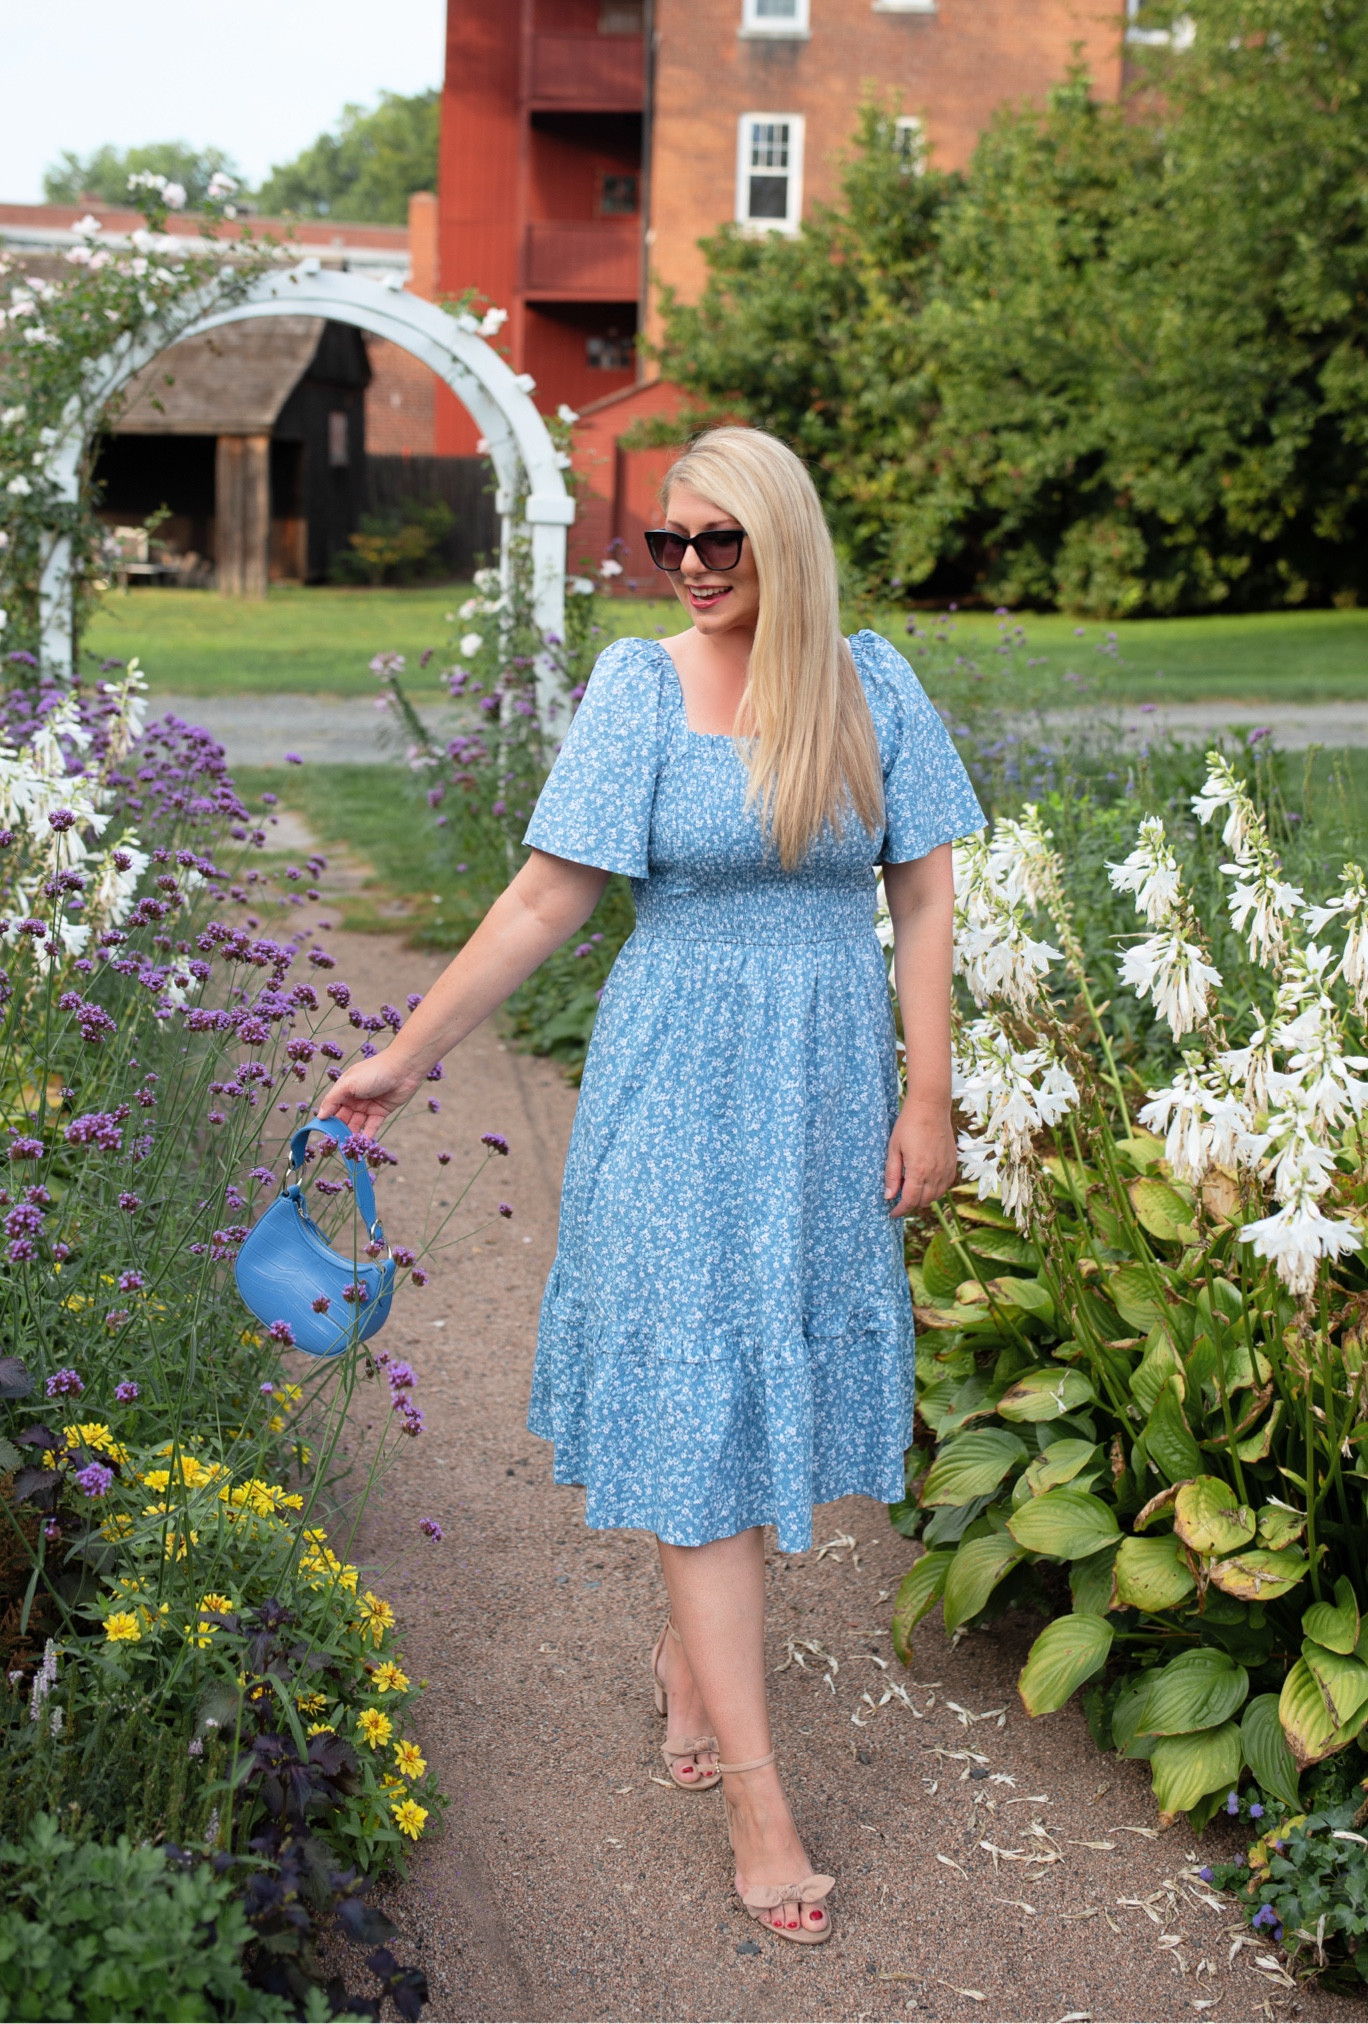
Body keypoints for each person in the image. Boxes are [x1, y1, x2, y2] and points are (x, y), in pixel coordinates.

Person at [319, 425, 984, 1943]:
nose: (685, 569)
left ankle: (695, 1670)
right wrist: (404, 1057)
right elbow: (549, 893)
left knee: (766, 1393)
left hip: (825, 1096)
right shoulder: (637, 689)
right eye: (665, 544)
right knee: (699, 1404)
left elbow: (925, 882)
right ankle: (760, 1801)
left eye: (717, 544)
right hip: (678, 1089)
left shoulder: (870, 682)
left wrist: (929, 1089)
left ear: (782, 545)